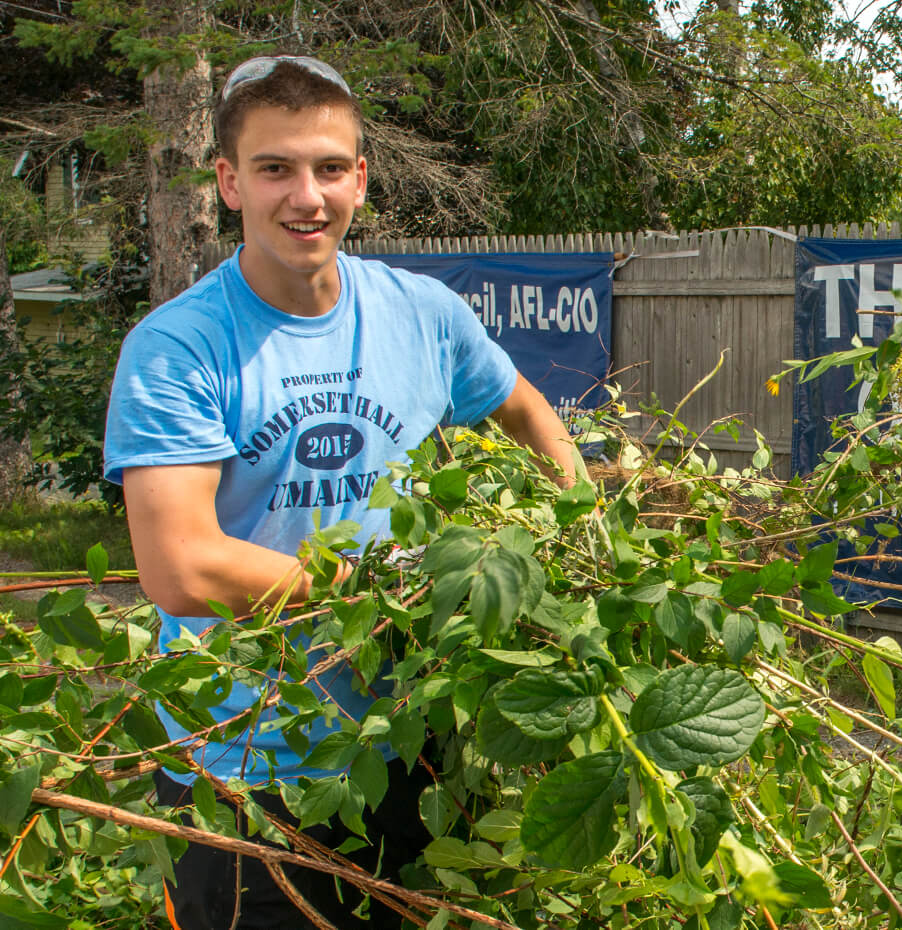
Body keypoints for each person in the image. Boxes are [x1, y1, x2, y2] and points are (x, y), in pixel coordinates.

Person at [103, 55, 580, 930]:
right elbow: (182, 568)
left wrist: (577, 526)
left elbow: (522, 408)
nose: (306, 195)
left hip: (425, 749)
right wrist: (381, 597)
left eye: (329, 168)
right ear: (228, 183)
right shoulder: (177, 348)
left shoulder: (424, 314)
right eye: (275, 168)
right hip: (248, 771)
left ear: (360, 177)